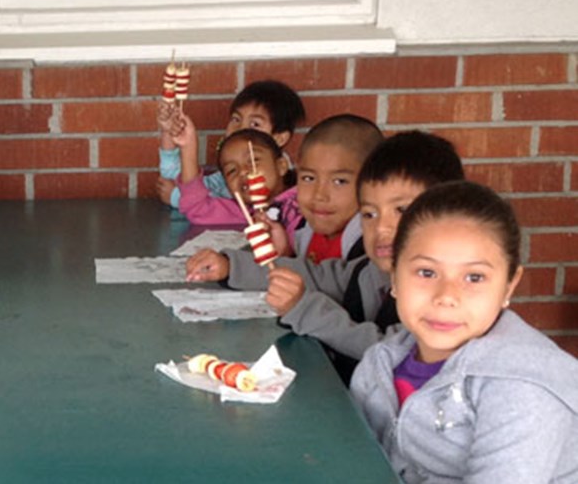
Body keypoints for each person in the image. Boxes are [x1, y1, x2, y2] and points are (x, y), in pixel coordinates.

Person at [187, 131, 465, 384]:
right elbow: (317, 276)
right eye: (370, 213)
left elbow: (390, 352)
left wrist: (305, 309)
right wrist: (232, 267)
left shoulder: (443, 296)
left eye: (402, 210)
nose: (382, 228)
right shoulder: (370, 271)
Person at [352, 181, 578, 483]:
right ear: (394, 274)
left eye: (474, 277)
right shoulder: (379, 364)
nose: (447, 295)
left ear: (509, 285)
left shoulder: (523, 388)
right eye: (427, 272)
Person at [157, 80, 305, 209]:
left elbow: (232, 210)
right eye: (236, 119)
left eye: (255, 124)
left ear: (280, 138)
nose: (240, 129)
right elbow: (175, 177)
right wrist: (169, 131)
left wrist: (178, 198)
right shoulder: (231, 169)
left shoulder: (274, 179)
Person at [171, 124, 301, 252]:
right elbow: (196, 206)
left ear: (281, 166)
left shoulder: (304, 204)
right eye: (232, 170)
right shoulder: (242, 213)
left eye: (253, 161)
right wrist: (188, 148)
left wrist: (286, 251)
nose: (243, 171)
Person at [288, 114, 383, 263]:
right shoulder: (304, 229)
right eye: (308, 178)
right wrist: (285, 253)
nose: (319, 195)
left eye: (339, 181)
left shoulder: (370, 242)